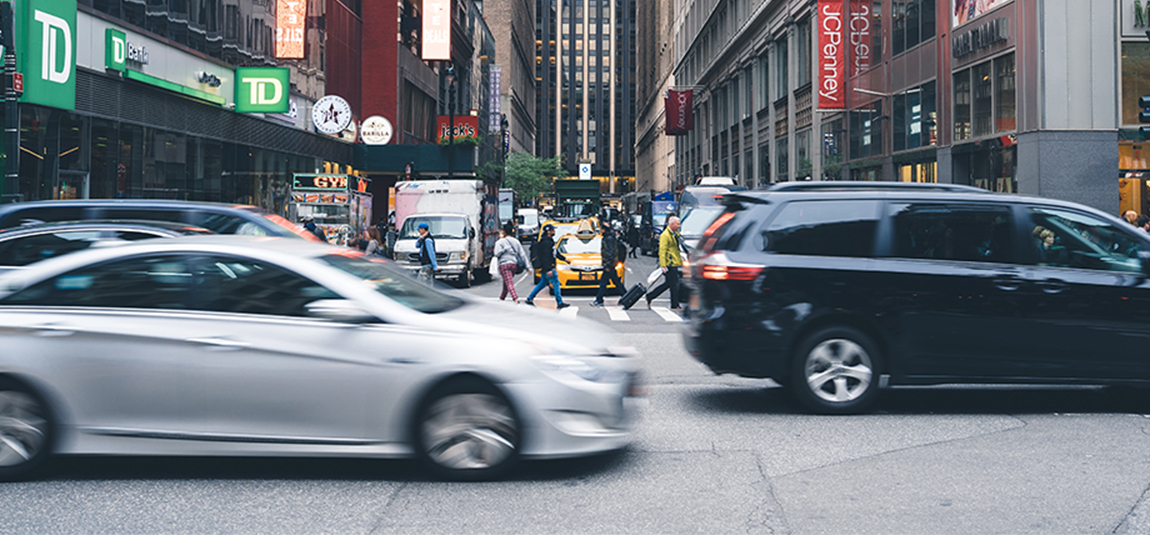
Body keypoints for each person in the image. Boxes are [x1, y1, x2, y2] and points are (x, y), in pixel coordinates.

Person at [525, 224, 569, 309]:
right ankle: (559, 302)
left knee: (542, 284)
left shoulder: (549, 241)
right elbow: (546, 257)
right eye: (552, 230)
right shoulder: (546, 243)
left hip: (547, 267)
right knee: (556, 283)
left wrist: (564, 259)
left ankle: (530, 298)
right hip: (549, 268)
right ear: (548, 231)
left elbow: (554, 253)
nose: (554, 231)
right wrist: (548, 269)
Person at [646, 216, 683, 310]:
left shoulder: (673, 234)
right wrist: (663, 265)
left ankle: (650, 296)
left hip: (674, 262)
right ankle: (674, 304)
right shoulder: (665, 235)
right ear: (672, 224)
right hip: (669, 263)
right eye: (677, 224)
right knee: (675, 285)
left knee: (669, 284)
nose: (679, 226)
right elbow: (662, 251)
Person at [590, 225, 625, 307]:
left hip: (609, 264)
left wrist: (608, 265)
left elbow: (611, 252)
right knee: (616, 282)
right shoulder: (609, 237)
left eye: (601, 229)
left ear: (604, 229)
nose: (599, 230)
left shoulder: (608, 239)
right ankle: (626, 296)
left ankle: (599, 300)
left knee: (603, 282)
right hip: (610, 263)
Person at [494, 222, 529, 303]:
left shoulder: (500, 242)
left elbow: (496, 253)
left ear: (504, 232)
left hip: (504, 265)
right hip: (514, 265)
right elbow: (522, 254)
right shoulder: (516, 241)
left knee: (509, 283)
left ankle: (515, 298)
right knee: (506, 283)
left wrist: (504, 250)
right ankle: (501, 300)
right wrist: (528, 267)